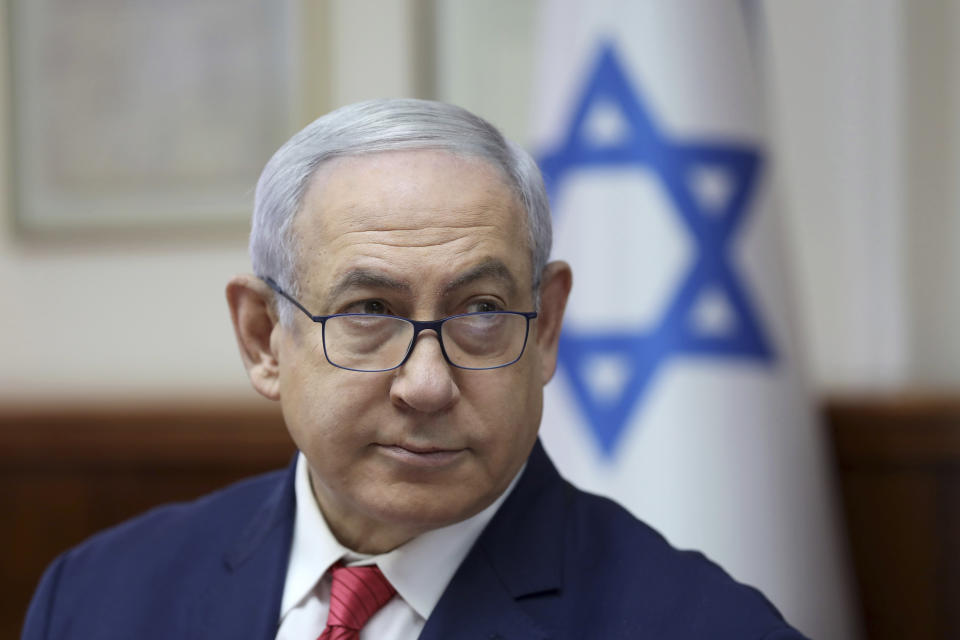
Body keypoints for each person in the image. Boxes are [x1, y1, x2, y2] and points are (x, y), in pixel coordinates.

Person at [22, 99, 807, 640]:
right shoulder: (98, 599)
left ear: (546, 331)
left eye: (481, 311)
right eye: (368, 312)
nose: (427, 384)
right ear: (265, 337)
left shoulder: (705, 627)